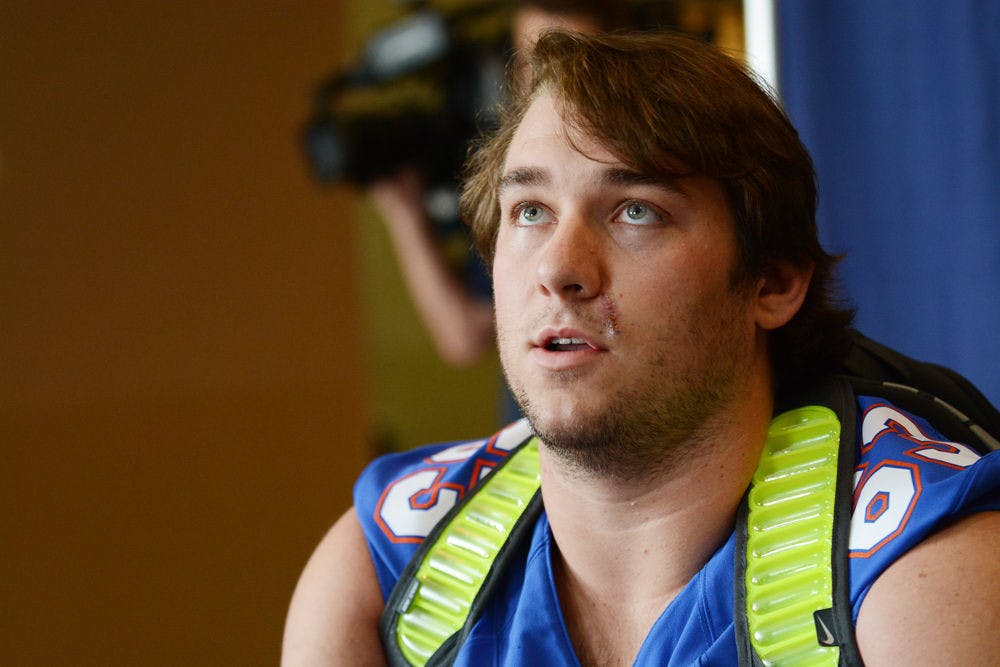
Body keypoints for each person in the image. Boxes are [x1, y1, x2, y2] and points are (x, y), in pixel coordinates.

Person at [283, 31, 1000, 665]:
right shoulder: (387, 568)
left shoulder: (925, 576)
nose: (559, 269)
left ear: (774, 281)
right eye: (530, 210)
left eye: (636, 212)